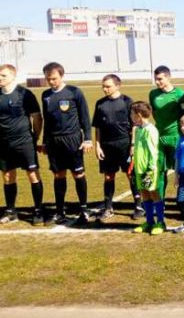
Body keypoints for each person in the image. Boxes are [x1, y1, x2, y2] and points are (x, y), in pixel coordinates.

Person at [40, 62, 93, 226]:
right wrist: (44, 141)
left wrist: (87, 139)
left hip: (72, 139)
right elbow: (47, 120)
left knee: (78, 174)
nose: (51, 82)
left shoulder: (74, 92)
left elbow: (85, 117)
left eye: (54, 78)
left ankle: (84, 210)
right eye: (48, 79)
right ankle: (60, 211)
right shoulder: (45, 95)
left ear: (62, 76)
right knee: (58, 175)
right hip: (54, 141)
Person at [0, 64, 45, 225]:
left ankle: (38, 210)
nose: (0, 78)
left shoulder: (25, 94)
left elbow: (37, 118)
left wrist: (35, 138)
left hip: (24, 141)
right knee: (7, 176)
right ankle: (11, 211)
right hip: (4, 143)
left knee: (32, 174)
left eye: (3, 75)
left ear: (13, 76)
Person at [92, 74, 138, 222]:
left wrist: (133, 144)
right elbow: (98, 127)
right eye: (103, 86)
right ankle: (108, 208)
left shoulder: (127, 101)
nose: (105, 89)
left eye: (108, 86)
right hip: (107, 146)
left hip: (125, 144)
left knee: (130, 174)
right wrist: (98, 146)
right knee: (108, 176)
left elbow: (134, 126)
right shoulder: (100, 104)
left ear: (118, 86)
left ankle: (139, 206)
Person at [149, 65, 184, 200]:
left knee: (182, 169)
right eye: (156, 79)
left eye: (160, 79)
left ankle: (183, 201)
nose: (157, 82)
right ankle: (160, 201)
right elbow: (154, 112)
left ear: (168, 77)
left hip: (176, 136)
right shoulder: (153, 94)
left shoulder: (180, 94)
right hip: (159, 138)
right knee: (160, 171)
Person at [130, 101, 166, 235]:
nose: (131, 116)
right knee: (144, 193)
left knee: (153, 193)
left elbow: (153, 151)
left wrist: (150, 168)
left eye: (132, 114)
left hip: (148, 169)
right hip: (139, 168)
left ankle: (160, 222)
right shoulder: (139, 129)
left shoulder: (150, 130)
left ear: (139, 115)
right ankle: (149, 221)